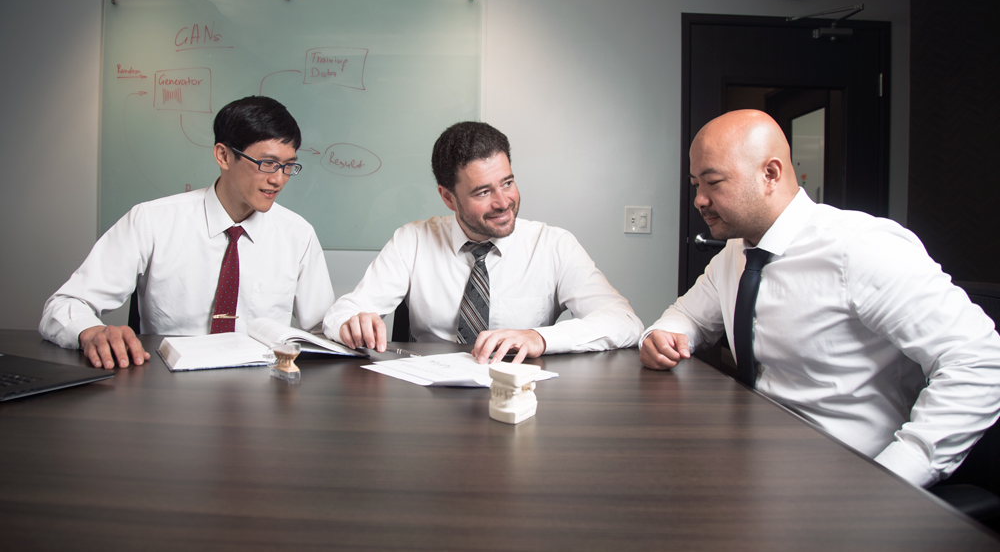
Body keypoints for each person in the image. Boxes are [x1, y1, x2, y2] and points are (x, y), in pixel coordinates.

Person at [640, 109, 1000, 488]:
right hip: (759, 465)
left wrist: (897, 476)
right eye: (696, 183)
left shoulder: (861, 248)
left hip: (846, 479)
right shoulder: (736, 253)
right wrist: (664, 334)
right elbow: (689, 317)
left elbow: (979, 362)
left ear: (771, 174)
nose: (699, 199)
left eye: (712, 182)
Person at [40, 96, 335, 369]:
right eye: (267, 163)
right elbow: (65, 305)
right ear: (223, 156)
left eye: (288, 166)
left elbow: (320, 332)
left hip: (262, 391)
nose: (278, 179)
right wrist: (90, 332)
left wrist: (346, 328)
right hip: (167, 385)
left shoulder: (298, 235)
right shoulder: (152, 221)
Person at [324, 121, 642, 364]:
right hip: (429, 400)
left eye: (508, 182)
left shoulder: (553, 244)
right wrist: (352, 323)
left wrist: (538, 338)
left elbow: (625, 322)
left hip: (518, 396)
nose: (504, 202)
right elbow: (343, 313)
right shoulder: (413, 240)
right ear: (448, 197)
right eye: (483, 192)